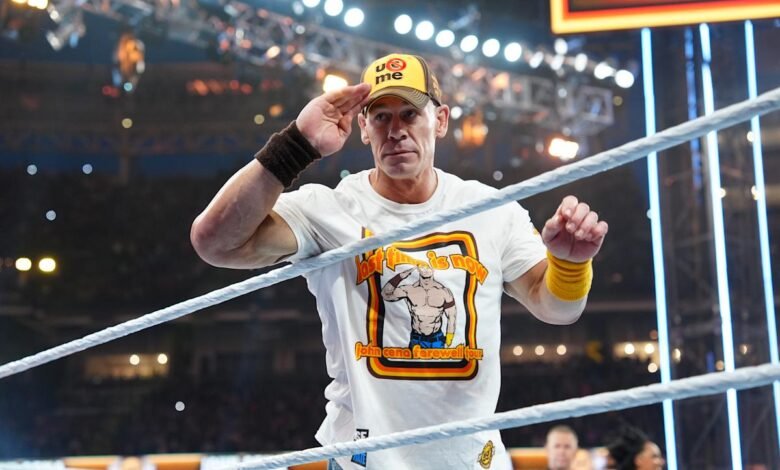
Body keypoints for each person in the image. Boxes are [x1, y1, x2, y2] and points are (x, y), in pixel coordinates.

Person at [191, 53, 608, 469]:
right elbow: (215, 243)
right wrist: (295, 145)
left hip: (471, 462)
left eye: (410, 114)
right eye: (381, 117)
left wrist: (569, 265)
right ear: (363, 127)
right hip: (364, 461)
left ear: (440, 120)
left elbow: (557, 309)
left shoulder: (492, 209)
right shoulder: (328, 210)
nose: (395, 131)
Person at [381, 265, 457, 348]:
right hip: (417, 339)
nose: (426, 280)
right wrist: (400, 276)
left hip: (436, 339)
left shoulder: (444, 292)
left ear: (433, 270)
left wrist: (450, 336)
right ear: (418, 270)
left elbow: (451, 315)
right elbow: (385, 294)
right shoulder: (409, 290)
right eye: (424, 277)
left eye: (428, 277)